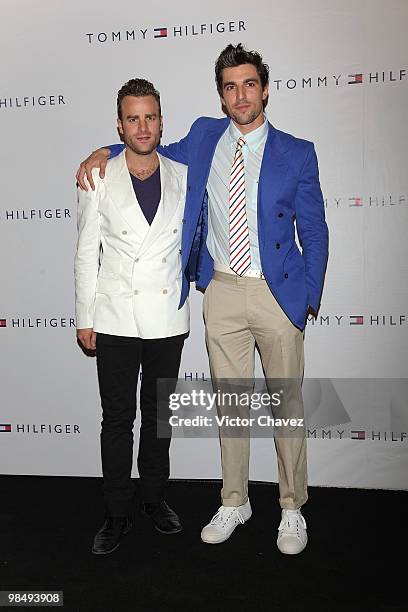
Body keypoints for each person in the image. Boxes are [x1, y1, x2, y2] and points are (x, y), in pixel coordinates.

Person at [77, 44, 329, 555]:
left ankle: (291, 507)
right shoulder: (204, 137)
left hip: (278, 293)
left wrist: (307, 296)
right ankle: (234, 499)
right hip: (222, 292)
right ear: (221, 95)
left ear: (264, 88)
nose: (240, 95)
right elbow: (145, 146)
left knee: (287, 405)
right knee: (232, 408)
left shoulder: (298, 152)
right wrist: (103, 150)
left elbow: (316, 230)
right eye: (230, 86)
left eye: (249, 84)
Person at [75, 78, 189, 555]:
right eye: (132, 118)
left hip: (166, 315)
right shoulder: (98, 175)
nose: (142, 127)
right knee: (117, 420)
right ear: (119, 125)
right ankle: (116, 510)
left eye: (150, 117)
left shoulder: (184, 173)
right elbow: (85, 251)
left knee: (158, 416)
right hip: (116, 314)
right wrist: (85, 316)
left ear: (162, 122)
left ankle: (155, 498)